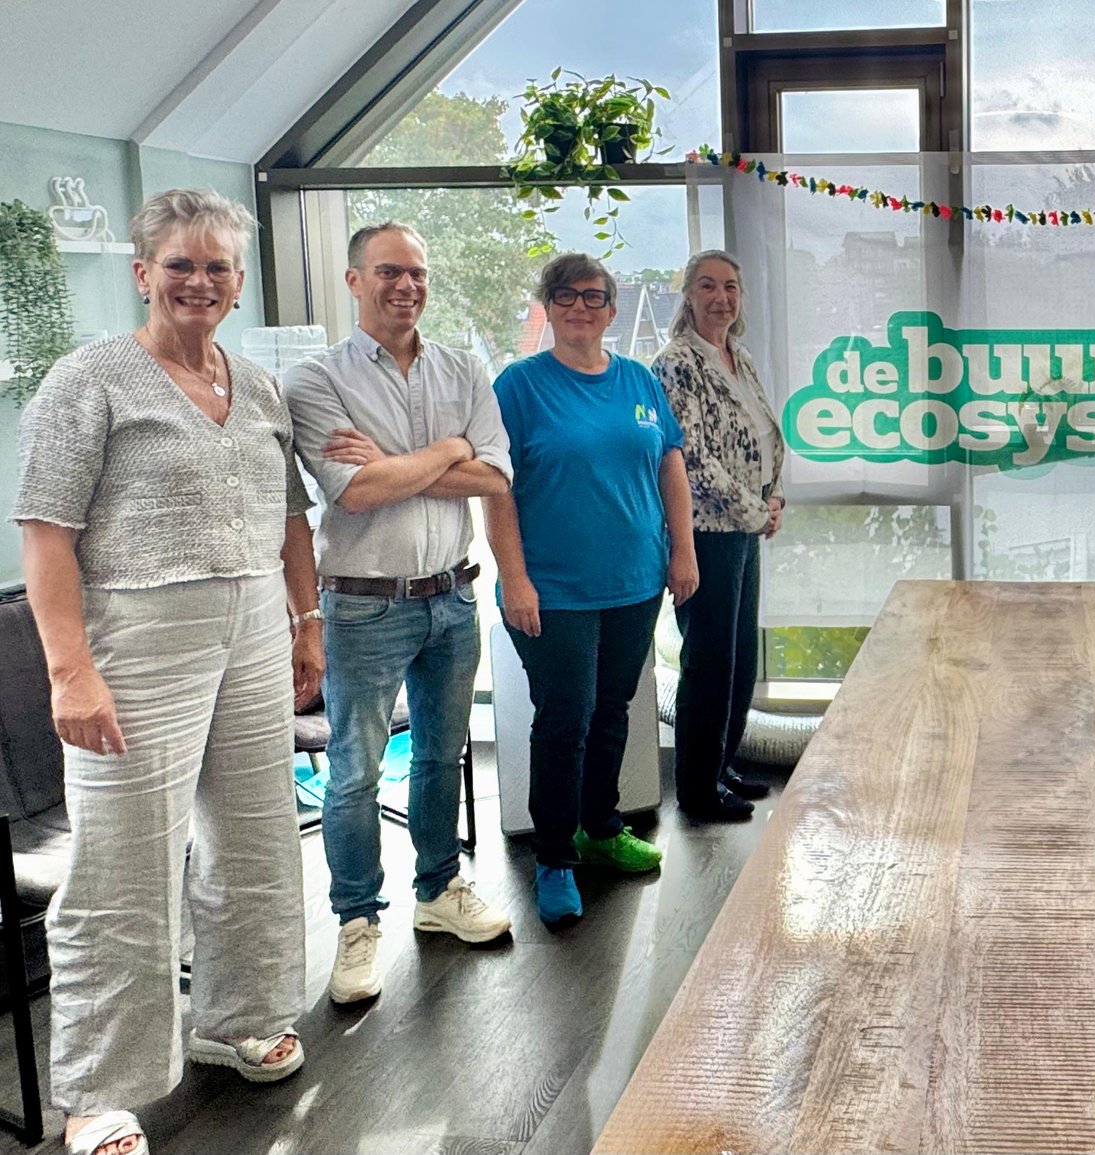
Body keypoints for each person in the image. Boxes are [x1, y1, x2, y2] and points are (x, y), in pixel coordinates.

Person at [11, 188, 317, 1155]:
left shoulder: (260, 388)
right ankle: (99, 1090)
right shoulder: (89, 379)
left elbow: (293, 519)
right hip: (139, 636)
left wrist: (306, 623)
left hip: (257, 626)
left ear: (238, 281)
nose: (199, 281)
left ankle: (237, 1018)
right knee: (125, 860)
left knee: (258, 831)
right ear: (142, 273)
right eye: (179, 264)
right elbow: (46, 533)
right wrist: (70, 671)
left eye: (218, 266)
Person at [283, 221, 514, 1006]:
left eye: (417, 272)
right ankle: (356, 920)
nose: (405, 286)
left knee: (442, 754)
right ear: (354, 281)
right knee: (353, 771)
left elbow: (496, 475)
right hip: (361, 606)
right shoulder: (316, 381)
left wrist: (407, 460)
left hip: (452, 595)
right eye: (388, 272)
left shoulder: (464, 369)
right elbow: (355, 491)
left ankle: (439, 889)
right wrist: (451, 447)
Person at [485, 253, 697, 929]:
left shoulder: (638, 378)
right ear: (548, 307)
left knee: (614, 711)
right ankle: (553, 857)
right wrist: (515, 578)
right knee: (565, 719)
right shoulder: (519, 386)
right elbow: (496, 487)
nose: (582, 307)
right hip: (553, 590)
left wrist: (683, 549)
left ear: (611, 309)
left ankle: (601, 828)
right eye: (567, 296)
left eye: (595, 296)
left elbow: (669, 462)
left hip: (633, 580)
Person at [652, 250, 786, 822]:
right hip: (706, 532)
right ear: (687, 295)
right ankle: (698, 789)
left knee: (737, 659)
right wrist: (756, 512)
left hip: (745, 528)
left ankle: (721, 765)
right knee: (708, 662)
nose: (720, 297)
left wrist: (773, 496)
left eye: (730, 286)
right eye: (707, 286)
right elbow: (692, 459)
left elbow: (764, 436)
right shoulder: (676, 362)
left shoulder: (740, 357)